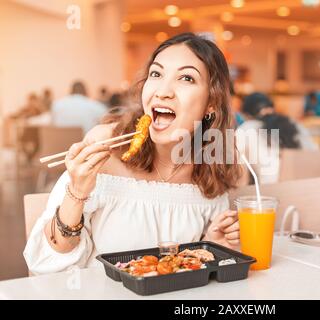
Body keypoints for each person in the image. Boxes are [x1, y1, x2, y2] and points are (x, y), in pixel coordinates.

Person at [24, 33, 242, 275]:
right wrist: (77, 192)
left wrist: (211, 243)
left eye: (186, 78)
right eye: (156, 74)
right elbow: (47, 264)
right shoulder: (104, 153)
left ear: (211, 102)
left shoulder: (208, 173)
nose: (163, 91)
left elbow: (179, 272)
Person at [236, 92, 318, 184]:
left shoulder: (246, 128)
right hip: (313, 188)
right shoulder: (296, 124)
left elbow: (240, 177)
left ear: (245, 115)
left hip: (274, 192)